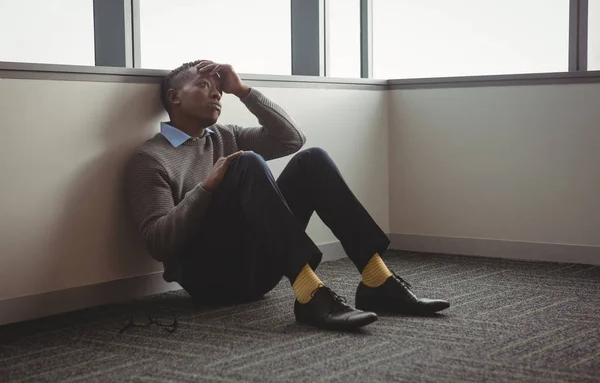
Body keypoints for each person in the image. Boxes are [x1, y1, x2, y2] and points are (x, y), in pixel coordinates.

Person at [125, 60, 449, 331]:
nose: (216, 94)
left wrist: (244, 91)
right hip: (211, 281)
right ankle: (310, 295)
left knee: (313, 160)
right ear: (174, 97)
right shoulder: (151, 158)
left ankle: (376, 280)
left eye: (220, 89)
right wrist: (206, 187)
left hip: (260, 272)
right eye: (204, 85)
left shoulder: (226, 135)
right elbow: (157, 242)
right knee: (248, 162)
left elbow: (292, 140)